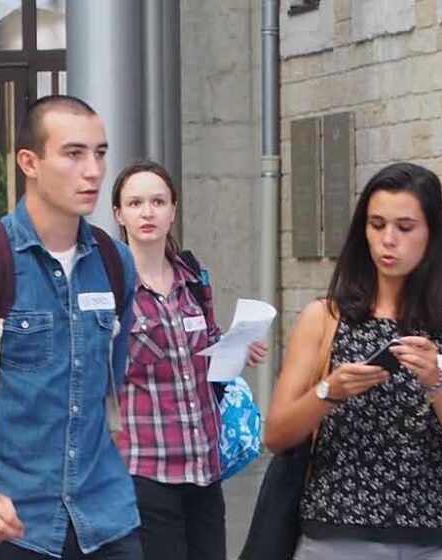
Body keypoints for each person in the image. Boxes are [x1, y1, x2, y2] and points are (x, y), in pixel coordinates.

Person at [0, 95, 143, 560]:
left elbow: (108, 383)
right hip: (12, 525)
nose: (94, 170)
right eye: (74, 154)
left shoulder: (116, 263)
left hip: (107, 519)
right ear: (29, 162)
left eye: (100, 153)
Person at [264, 162, 442, 560]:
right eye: (376, 224)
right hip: (337, 533)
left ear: (431, 233)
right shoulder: (326, 317)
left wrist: (438, 383)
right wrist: (328, 392)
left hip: (433, 539)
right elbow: (276, 434)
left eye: (405, 228)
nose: (388, 240)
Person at [111, 161, 267, 560]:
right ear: (119, 214)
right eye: (136, 202)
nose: (148, 212)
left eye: (158, 201)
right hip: (145, 467)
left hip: (203, 464)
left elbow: (209, 356)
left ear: (173, 210)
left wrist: (237, 349)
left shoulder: (194, 278)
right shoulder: (111, 287)